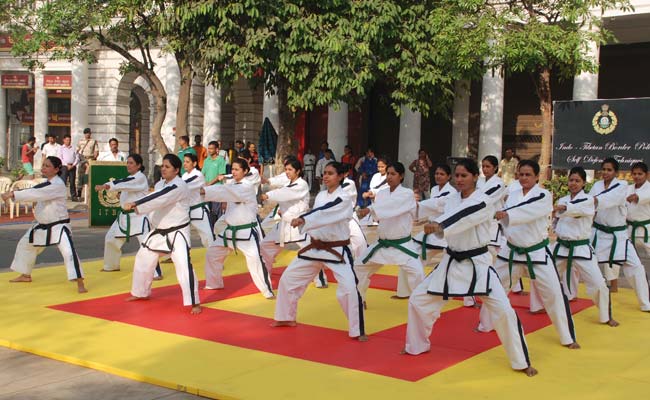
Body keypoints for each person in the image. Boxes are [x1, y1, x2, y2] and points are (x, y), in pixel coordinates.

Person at [403, 158, 536, 376]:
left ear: (475, 177)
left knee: (504, 311)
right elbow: (431, 205)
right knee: (418, 299)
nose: (459, 179)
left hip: (478, 263)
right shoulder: (451, 198)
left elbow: (463, 216)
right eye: (456, 176)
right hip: (451, 261)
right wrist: (409, 207)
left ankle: (521, 361)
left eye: (464, 175)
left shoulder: (483, 201)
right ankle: (416, 346)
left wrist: (440, 225)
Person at [478, 160, 579, 349]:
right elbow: (496, 209)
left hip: (536, 252)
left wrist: (506, 214)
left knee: (554, 294)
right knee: (494, 288)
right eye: (521, 174)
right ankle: (485, 324)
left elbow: (528, 212)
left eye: (528, 175)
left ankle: (567, 336)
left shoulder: (543, 195)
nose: (524, 178)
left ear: (536, 177)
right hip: (511, 251)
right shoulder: (512, 195)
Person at [273, 161, 367, 341]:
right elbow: (319, 213)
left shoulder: (344, 198)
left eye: (330, 173)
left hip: (336, 248)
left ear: (341, 176)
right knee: (288, 279)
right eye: (324, 173)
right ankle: (286, 317)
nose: (325, 176)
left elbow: (326, 212)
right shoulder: (322, 195)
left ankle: (357, 330)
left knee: (349, 289)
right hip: (315, 247)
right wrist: (301, 218)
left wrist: (304, 219)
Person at [124, 154, 201, 314]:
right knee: (143, 257)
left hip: (177, 231)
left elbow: (160, 197)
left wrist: (136, 204)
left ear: (176, 170)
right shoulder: (160, 184)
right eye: (162, 166)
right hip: (159, 230)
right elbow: (155, 196)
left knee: (183, 265)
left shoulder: (179, 186)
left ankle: (194, 302)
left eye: (167, 167)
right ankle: (140, 292)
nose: (163, 169)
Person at [3, 156, 87, 293]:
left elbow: (35, 193)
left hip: (59, 227)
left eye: (47, 166)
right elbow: (36, 191)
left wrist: (13, 194)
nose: (43, 168)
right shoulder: (46, 183)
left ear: (57, 169)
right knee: (25, 245)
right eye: (43, 165)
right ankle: (25, 274)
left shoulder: (57, 185)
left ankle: (80, 283)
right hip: (42, 225)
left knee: (69, 253)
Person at [552, 166, 618, 327]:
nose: (573, 183)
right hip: (561, 247)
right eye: (571, 180)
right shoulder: (562, 199)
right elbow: (556, 221)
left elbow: (577, 210)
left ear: (583, 183)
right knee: (545, 278)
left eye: (577, 180)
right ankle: (541, 307)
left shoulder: (588, 200)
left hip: (581, 248)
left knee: (598, 283)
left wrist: (565, 209)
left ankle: (606, 315)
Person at [201, 159, 274, 297]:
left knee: (256, 261)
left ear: (245, 171)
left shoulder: (246, 187)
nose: (233, 172)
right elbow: (226, 192)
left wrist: (205, 190)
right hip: (230, 231)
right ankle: (214, 282)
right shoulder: (232, 183)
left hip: (247, 232)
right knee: (212, 253)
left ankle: (266, 290)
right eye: (232, 169)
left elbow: (224, 191)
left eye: (237, 169)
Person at [356, 162, 424, 306]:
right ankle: (359, 299)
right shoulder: (382, 193)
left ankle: (421, 305)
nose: (390, 177)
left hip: (402, 245)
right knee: (359, 266)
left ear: (401, 176)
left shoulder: (407, 194)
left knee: (417, 273)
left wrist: (370, 210)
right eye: (388, 174)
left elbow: (391, 207)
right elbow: (381, 209)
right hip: (382, 244)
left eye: (393, 174)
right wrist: (370, 210)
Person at [589, 158, 650, 310]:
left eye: (609, 170)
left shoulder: (622, 185)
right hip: (599, 233)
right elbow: (590, 206)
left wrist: (594, 201)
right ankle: (569, 294)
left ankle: (645, 303)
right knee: (580, 263)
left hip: (621, 234)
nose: (605, 172)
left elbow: (609, 200)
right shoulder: (597, 186)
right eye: (603, 169)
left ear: (616, 172)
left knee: (636, 267)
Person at [95, 154, 162, 279]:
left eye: (131, 163)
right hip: (124, 217)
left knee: (146, 244)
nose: (128, 165)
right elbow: (128, 188)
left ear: (139, 165)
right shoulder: (130, 178)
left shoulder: (140, 178)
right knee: (110, 239)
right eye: (128, 163)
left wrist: (106, 186)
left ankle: (156, 272)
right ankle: (111, 265)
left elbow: (124, 184)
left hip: (138, 216)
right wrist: (121, 198)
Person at [260, 158, 310, 275]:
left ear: (297, 171)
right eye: (286, 169)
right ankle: (266, 272)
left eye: (290, 170)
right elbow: (280, 179)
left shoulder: (302, 184)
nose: (287, 172)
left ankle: (319, 279)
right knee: (265, 245)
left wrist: (267, 195)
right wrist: (267, 180)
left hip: (298, 223)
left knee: (309, 252)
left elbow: (285, 193)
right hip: (284, 223)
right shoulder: (288, 182)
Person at [183, 153, 215, 249]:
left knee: (206, 236)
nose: (185, 164)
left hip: (198, 209)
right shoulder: (184, 175)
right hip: (186, 210)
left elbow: (185, 186)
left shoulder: (198, 175)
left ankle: (214, 258)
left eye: (187, 162)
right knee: (181, 234)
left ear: (194, 163)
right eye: (184, 161)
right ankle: (179, 255)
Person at [478, 156, 508, 252]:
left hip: (492, 222)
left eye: (488, 166)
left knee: (491, 254)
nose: (485, 169)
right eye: (483, 166)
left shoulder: (498, 183)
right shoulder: (479, 181)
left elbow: (485, 200)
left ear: (495, 168)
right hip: (478, 221)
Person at [627, 162, 650, 258]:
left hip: (647, 231)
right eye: (634, 174)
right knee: (621, 257)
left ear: (647, 175)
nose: (637, 176)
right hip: (629, 230)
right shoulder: (628, 188)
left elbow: (638, 197)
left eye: (640, 174)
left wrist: (635, 197)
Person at [202, 140, 228, 224]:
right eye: (208, 149)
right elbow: (203, 174)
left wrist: (209, 183)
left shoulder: (221, 160)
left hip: (217, 189)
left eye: (211, 149)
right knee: (208, 212)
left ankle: (219, 231)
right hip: (207, 190)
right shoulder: (206, 160)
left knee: (217, 212)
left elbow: (220, 176)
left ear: (217, 149)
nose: (209, 150)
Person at [359, 156, 389, 226]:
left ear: (387, 166)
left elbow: (386, 190)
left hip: (384, 203)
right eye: (378, 167)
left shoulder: (389, 177)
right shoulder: (375, 176)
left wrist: (373, 194)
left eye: (382, 167)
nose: (380, 169)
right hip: (374, 202)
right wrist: (368, 194)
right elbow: (372, 188)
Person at [76, 128, 99, 198]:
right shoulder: (80, 141)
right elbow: (77, 151)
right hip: (83, 159)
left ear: (90, 133)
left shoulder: (93, 141)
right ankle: (79, 192)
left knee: (90, 175)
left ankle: (90, 191)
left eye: (88, 133)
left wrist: (95, 157)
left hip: (90, 159)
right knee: (80, 175)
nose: (87, 134)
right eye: (86, 133)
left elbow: (96, 151)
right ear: (84, 134)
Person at [57, 134, 79, 201]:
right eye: (67, 140)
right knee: (63, 182)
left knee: (72, 182)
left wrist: (73, 165)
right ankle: (61, 196)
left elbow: (77, 158)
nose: (68, 141)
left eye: (69, 140)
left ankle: (73, 196)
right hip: (64, 167)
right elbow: (60, 158)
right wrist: (67, 165)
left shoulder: (74, 148)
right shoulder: (61, 148)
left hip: (72, 166)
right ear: (63, 140)